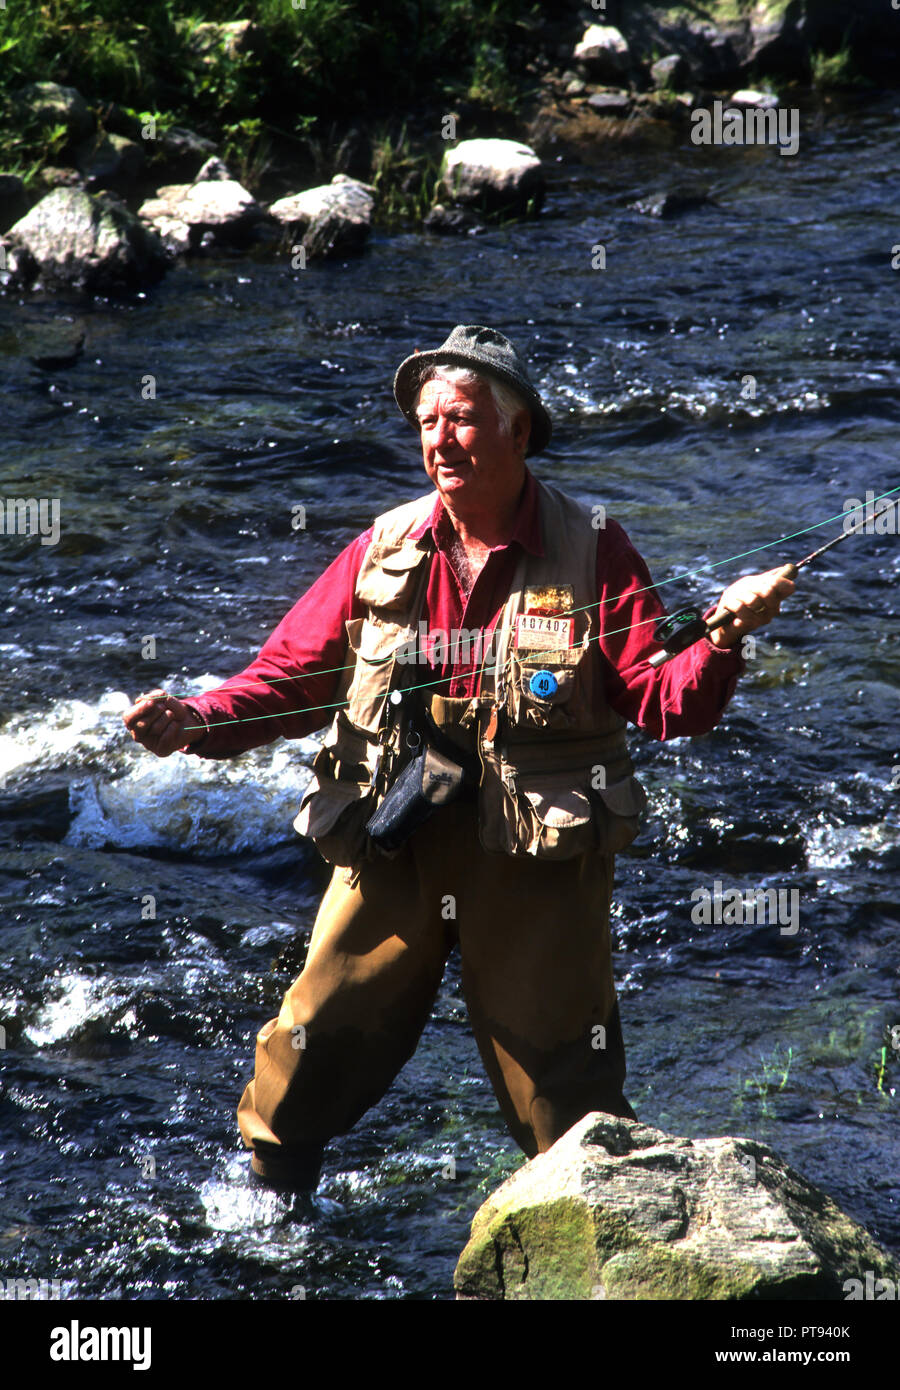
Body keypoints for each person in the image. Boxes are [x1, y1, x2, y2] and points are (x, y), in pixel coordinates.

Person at [123, 324, 795, 1192]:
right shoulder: (382, 545)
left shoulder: (594, 546)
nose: (441, 438)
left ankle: (583, 1244)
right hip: (394, 831)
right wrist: (195, 718)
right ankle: (270, 1210)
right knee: (309, 1047)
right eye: (427, 421)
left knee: (566, 1098)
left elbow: (668, 700)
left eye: (464, 419)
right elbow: (291, 678)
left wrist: (726, 636)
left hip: (533, 854)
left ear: (520, 431)